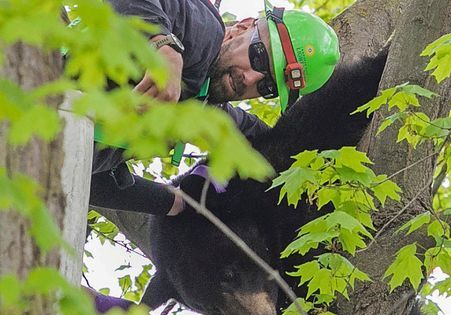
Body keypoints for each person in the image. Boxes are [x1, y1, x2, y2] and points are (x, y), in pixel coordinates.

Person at [89, 0, 341, 216]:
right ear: (241, 28)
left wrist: (171, 202)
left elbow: (83, 177)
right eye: (259, 58)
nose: (252, 78)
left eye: (267, 86)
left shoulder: (205, 112)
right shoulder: (202, 33)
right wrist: (163, 46)